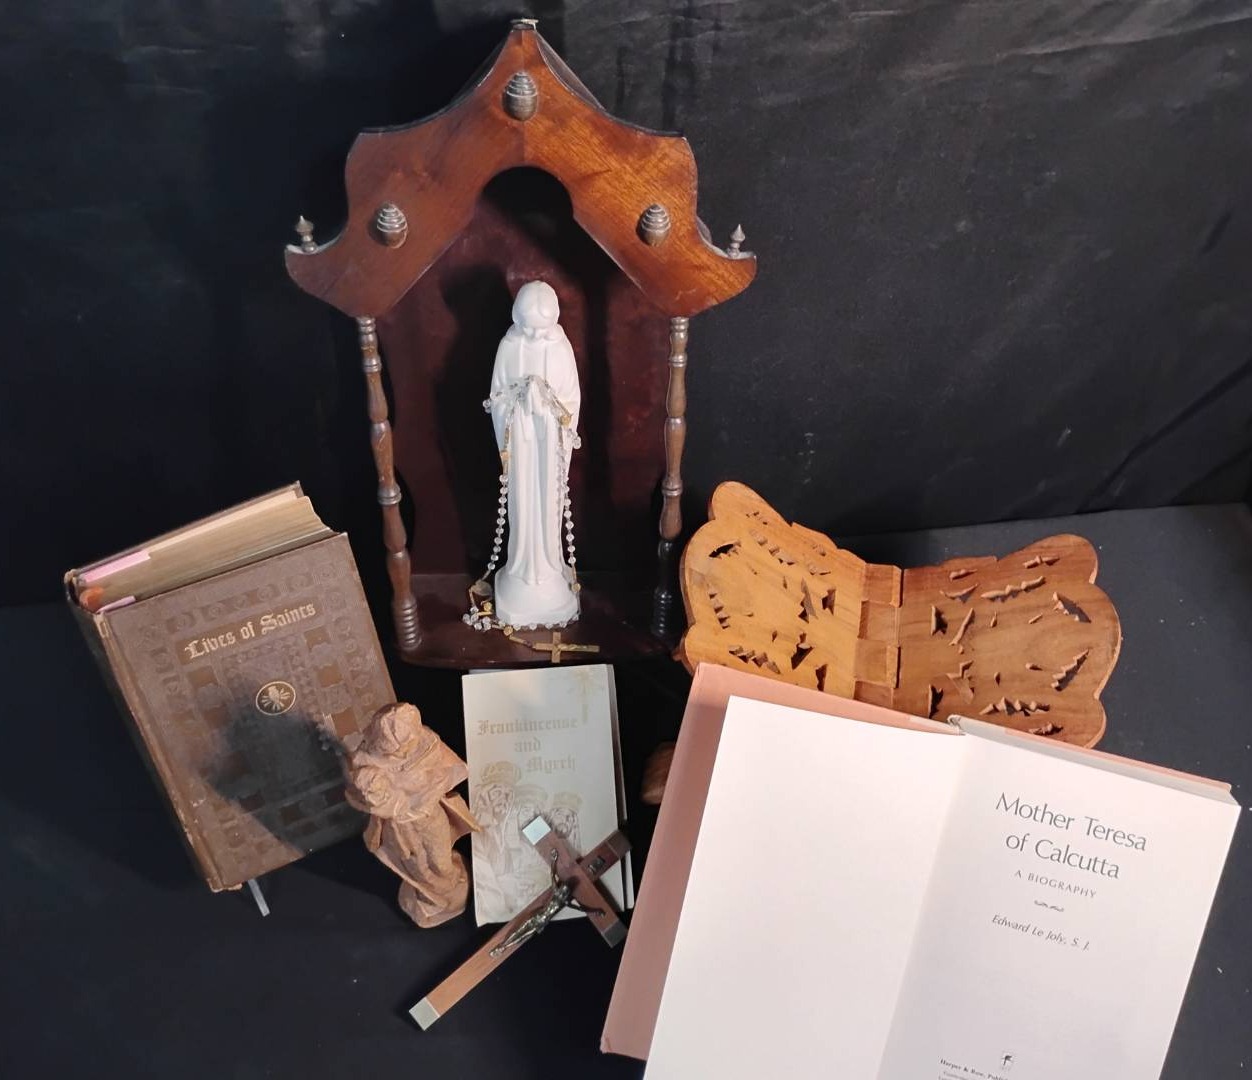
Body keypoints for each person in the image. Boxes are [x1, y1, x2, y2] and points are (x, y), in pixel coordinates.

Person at [486, 280, 581, 628]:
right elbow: (497, 397)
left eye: (542, 329)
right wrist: (519, 406)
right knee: (523, 502)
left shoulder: (560, 348)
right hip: (523, 446)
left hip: (548, 445)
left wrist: (550, 412)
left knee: (548, 502)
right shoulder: (509, 346)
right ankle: (521, 568)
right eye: (528, 328)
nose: (535, 336)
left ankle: (549, 568)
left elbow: (571, 399)